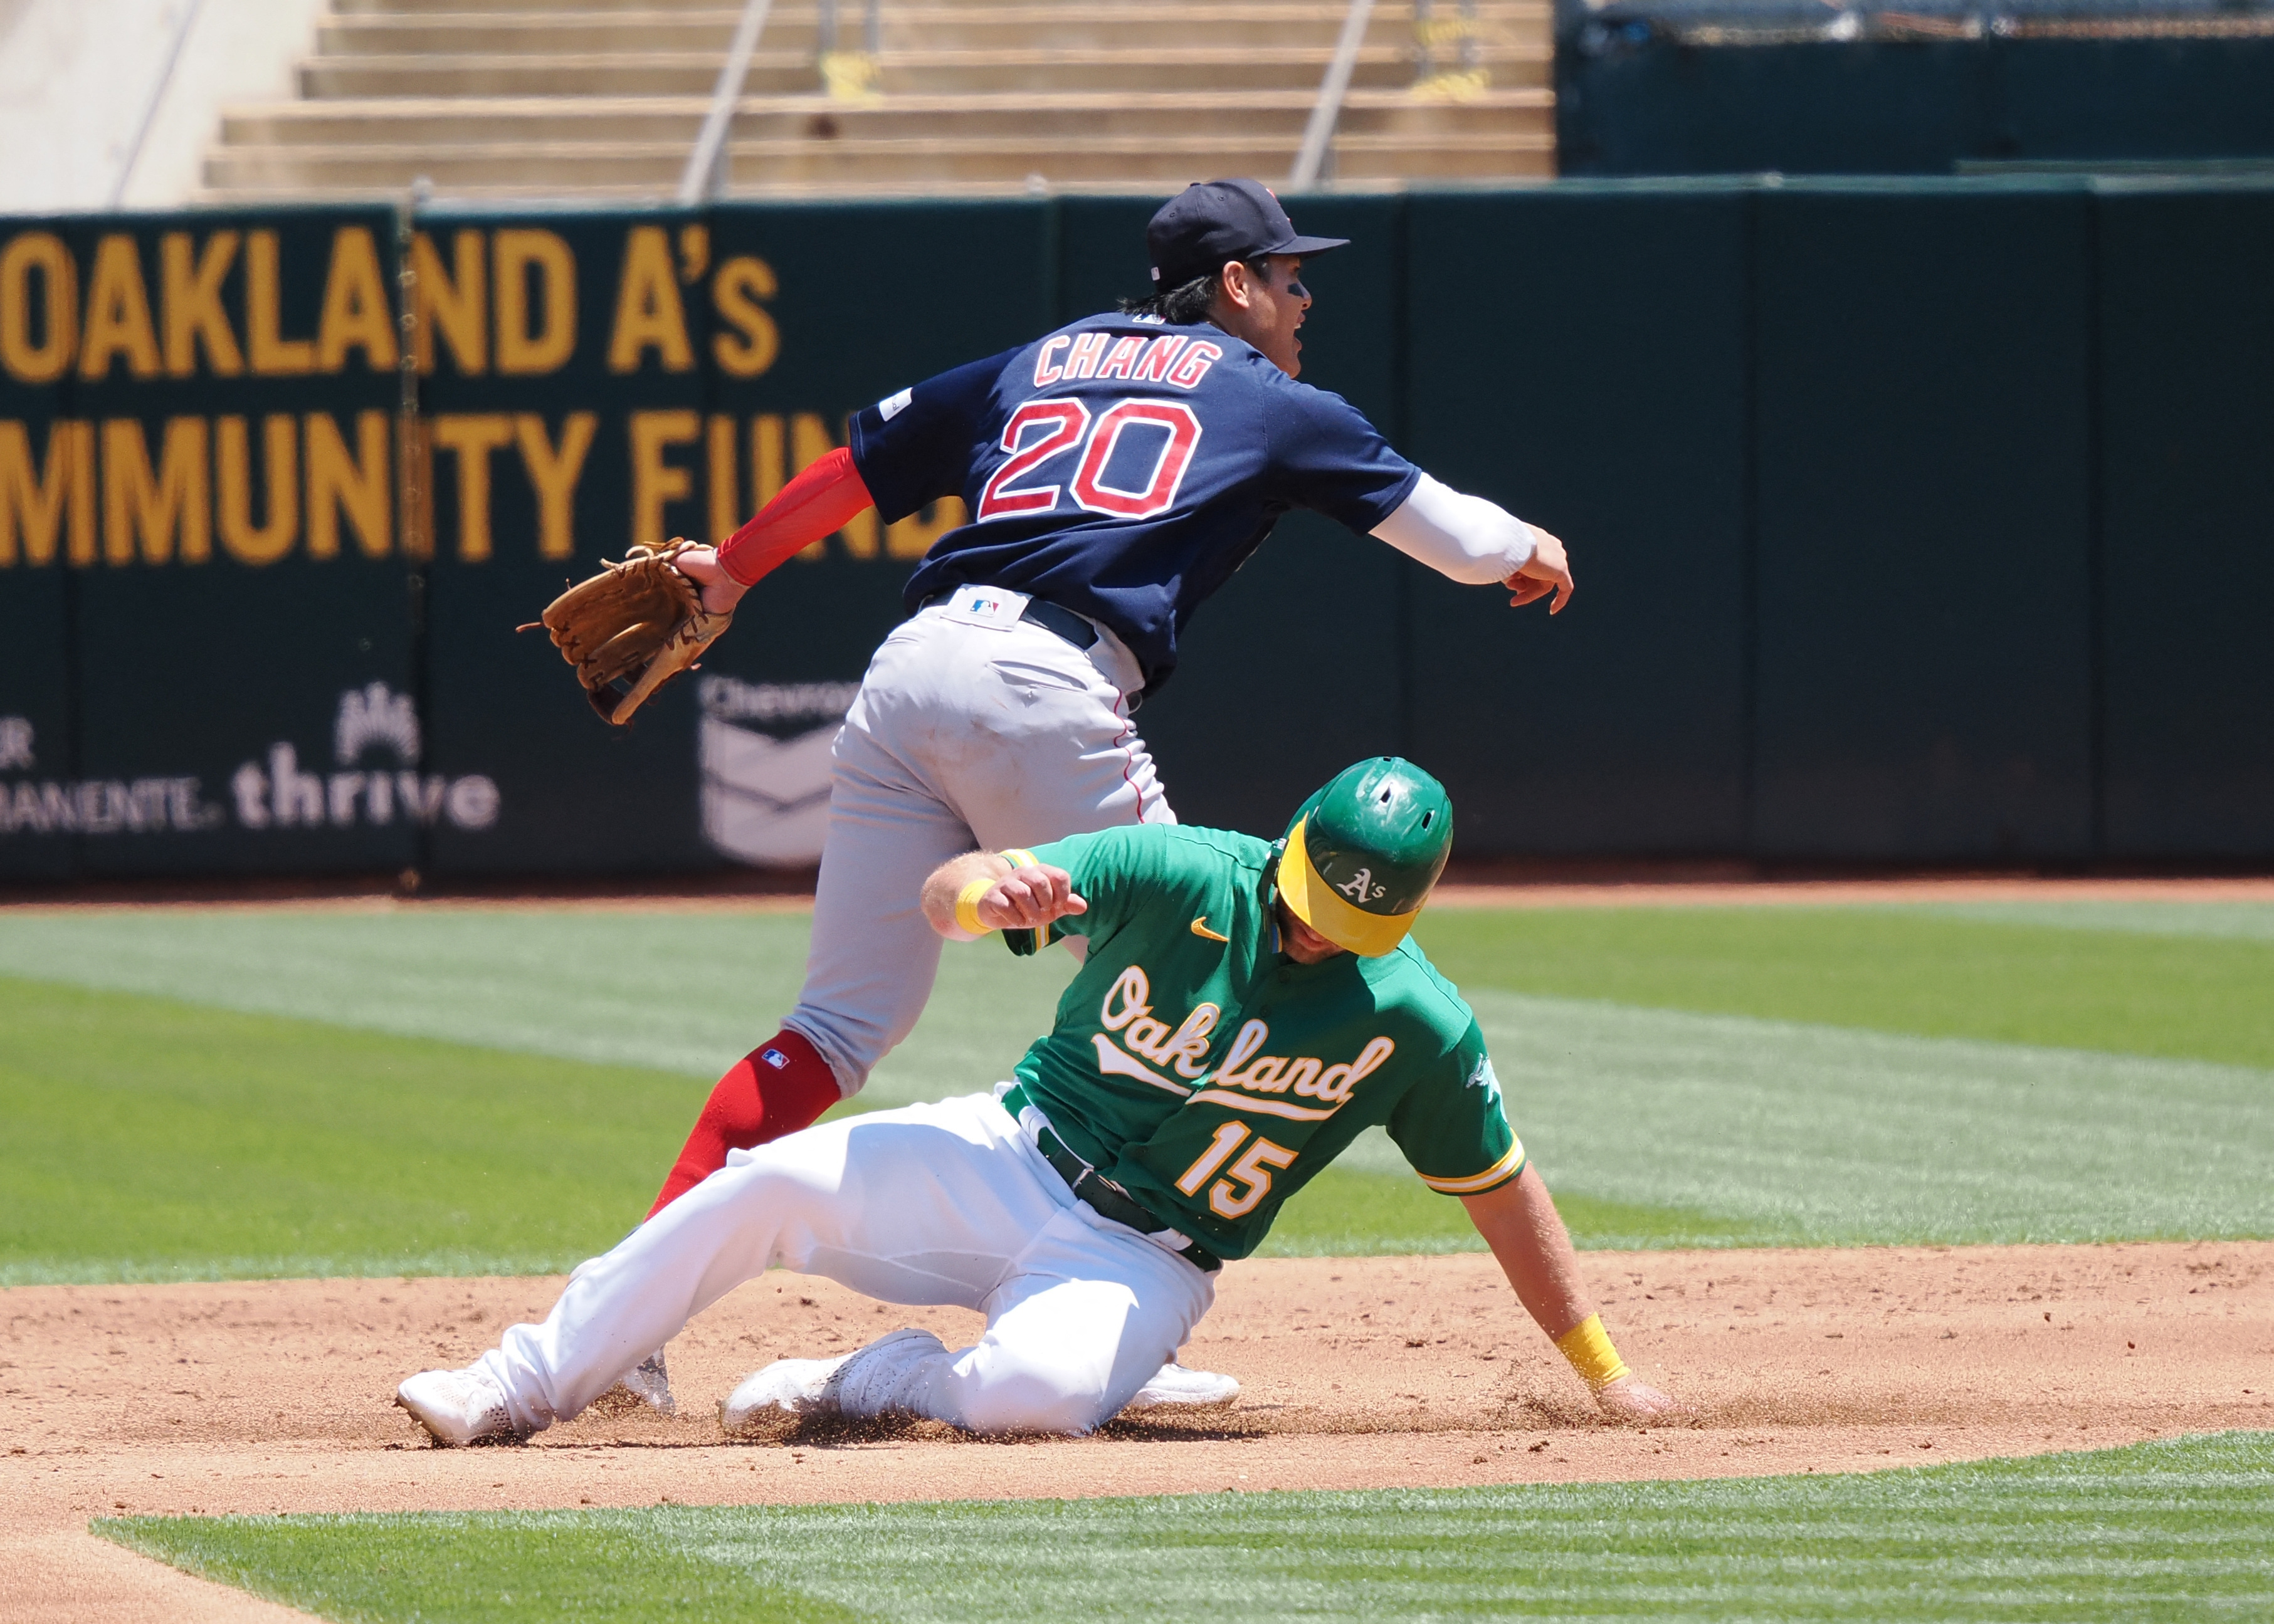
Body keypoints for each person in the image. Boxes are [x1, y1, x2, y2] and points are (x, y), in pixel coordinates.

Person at [615, 177, 1576, 1415]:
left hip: (910, 667)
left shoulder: (1045, 356)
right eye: (1285, 275)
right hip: (1041, 680)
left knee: (835, 1031)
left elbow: (854, 467)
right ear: (1233, 286)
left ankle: (625, 1321)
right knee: (1199, 965)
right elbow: (1453, 540)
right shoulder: (1269, 401)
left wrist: (732, 572)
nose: (1302, 295)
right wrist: (1528, 548)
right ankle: (1117, 1326)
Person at [395, 759, 1674, 1446]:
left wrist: (1601, 1373)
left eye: (1341, 926)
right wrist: (978, 894)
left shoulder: (1414, 1023)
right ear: (1283, 847)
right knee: (766, 1183)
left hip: (1142, 1257)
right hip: (1006, 1154)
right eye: (1298, 902)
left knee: (1027, 1405)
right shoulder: (1174, 869)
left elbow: (1500, 1193)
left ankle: (894, 1380)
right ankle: (512, 1385)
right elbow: (951, 888)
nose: (1305, 935)